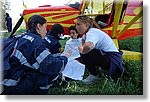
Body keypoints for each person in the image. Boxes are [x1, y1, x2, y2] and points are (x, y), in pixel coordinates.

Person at [1, 15, 70, 95]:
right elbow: (51, 65)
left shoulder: (22, 36)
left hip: (5, 81)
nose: (46, 31)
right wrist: (65, 57)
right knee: (46, 73)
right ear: (39, 26)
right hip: (12, 86)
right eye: (45, 27)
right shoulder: (35, 41)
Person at [76, 15, 124, 84]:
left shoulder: (92, 33)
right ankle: (103, 70)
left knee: (84, 51)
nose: (76, 27)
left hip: (112, 59)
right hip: (112, 58)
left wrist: (82, 51)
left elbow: (89, 46)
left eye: (78, 24)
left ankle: (94, 75)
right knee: (84, 51)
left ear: (86, 25)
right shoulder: (87, 34)